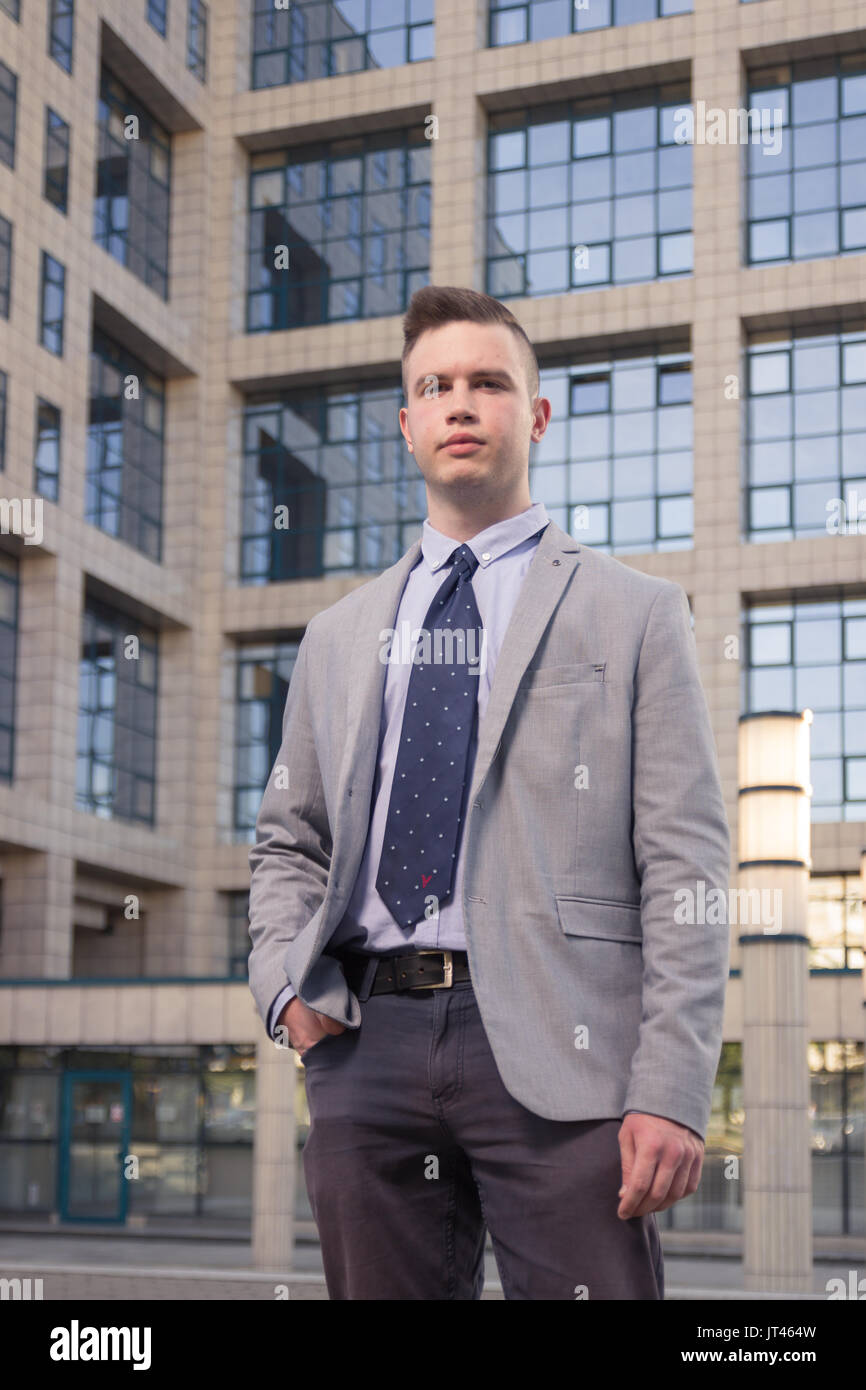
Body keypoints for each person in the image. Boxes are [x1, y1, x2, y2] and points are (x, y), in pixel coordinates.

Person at [248, 284, 730, 1300]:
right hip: (364, 1044)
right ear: (406, 424)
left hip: (566, 1053)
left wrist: (673, 1087)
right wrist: (284, 988)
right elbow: (289, 841)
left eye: (487, 383)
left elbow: (686, 862)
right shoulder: (337, 636)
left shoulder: (633, 614)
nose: (460, 403)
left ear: (536, 414)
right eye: (436, 386)